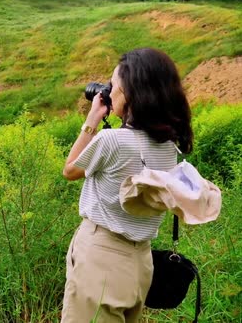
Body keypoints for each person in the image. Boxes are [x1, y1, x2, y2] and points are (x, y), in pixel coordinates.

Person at [61, 48, 194, 322]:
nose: (110, 93)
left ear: (130, 93)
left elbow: (70, 170)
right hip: (140, 264)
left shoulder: (111, 141)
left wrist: (91, 120)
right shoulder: (168, 147)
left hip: (100, 258)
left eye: (114, 86)